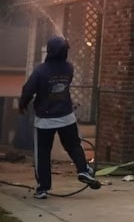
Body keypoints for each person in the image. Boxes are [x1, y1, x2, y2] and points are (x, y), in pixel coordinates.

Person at [19, 36, 101, 199]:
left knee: (43, 153)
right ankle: (83, 170)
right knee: (73, 145)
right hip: (66, 117)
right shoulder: (68, 69)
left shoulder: (40, 70)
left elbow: (28, 90)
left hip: (44, 120)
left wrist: (23, 103)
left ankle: (42, 189)